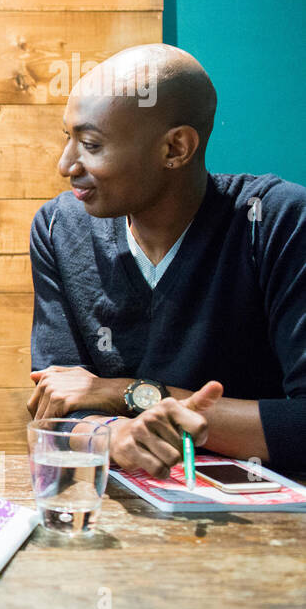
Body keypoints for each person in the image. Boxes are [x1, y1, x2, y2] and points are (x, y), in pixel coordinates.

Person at [28, 43, 306, 475]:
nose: (66, 165)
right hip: (121, 509)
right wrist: (113, 435)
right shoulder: (58, 228)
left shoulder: (275, 223)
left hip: (263, 518)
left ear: (175, 148)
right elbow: (58, 402)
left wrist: (128, 392)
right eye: (69, 138)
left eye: (91, 144)